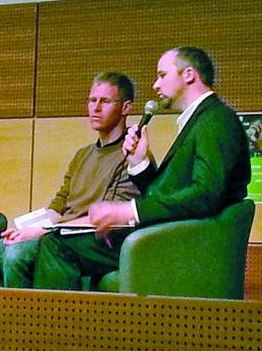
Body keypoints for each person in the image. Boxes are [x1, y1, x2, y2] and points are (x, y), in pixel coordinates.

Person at [33, 46, 251, 290]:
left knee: (57, 245)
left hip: (185, 245)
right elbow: (170, 193)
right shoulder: (202, 120)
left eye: (162, 75)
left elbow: (206, 195)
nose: (155, 86)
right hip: (171, 236)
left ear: (188, 74)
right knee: (60, 241)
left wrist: (130, 211)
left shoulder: (215, 120)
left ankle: (57, 326)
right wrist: (140, 163)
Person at [0, 72, 140, 287]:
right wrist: (25, 228)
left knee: (16, 255)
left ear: (126, 108)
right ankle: (4, 314)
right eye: (92, 100)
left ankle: (26, 317)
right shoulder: (83, 155)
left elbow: (108, 219)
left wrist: (42, 232)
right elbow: (57, 208)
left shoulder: (132, 156)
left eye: (105, 101)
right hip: (55, 232)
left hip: (81, 241)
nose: (95, 108)